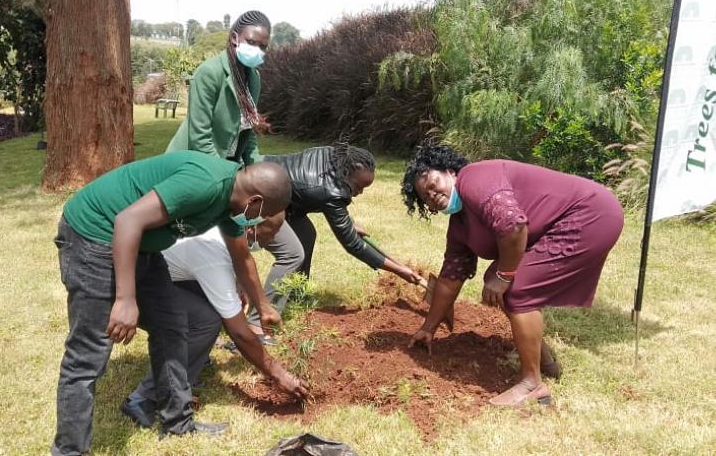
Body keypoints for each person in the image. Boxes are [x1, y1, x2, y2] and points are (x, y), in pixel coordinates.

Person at [51, 150, 290, 455]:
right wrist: (125, 298)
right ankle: (69, 450)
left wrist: (263, 305)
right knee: (88, 355)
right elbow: (127, 221)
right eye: (263, 214)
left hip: (143, 246)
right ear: (254, 201)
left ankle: (177, 422)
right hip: (95, 236)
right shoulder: (205, 184)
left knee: (173, 324)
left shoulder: (231, 197)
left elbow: (241, 256)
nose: (256, 221)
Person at [402, 142, 623, 407]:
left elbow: (513, 226)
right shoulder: (460, 225)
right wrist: (429, 328)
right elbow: (451, 277)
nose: (432, 195)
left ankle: (532, 385)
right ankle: (545, 360)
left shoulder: (475, 178)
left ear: (450, 171)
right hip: (577, 218)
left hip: (589, 214)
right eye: (425, 197)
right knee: (496, 281)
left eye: (433, 183)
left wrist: (505, 276)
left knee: (516, 288)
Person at [120, 212, 309, 427]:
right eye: (272, 232)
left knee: (212, 308)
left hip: (153, 273)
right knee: (205, 320)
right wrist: (278, 374)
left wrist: (240, 287)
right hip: (127, 287)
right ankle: (144, 398)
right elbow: (238, 332)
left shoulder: (223, 231)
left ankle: (181, 378)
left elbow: (238, 264)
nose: (273, 239)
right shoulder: (213, 250)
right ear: (250, 229)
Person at [242, 141, 423, 342]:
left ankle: (296, 294)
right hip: (261, 195)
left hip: (280, 190)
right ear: (346, 175)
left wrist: (347, 222)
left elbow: (324, 198)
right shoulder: (331, 191)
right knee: (291, 255)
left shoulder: (334, 157)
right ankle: (259, 323)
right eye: (358, 186)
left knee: (306, 234)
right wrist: (400, 270)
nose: (359, 192)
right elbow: (353, 245)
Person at [166, 10, 271, 164]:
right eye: (251, 42)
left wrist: (256, 167)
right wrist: (226, 174)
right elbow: (200, 138)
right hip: (191, 164)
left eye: (263, 46)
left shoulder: (254, 78)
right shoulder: (209, 72)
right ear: (235, 38)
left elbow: (249, 131)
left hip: (226, 164)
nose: (257, 50)